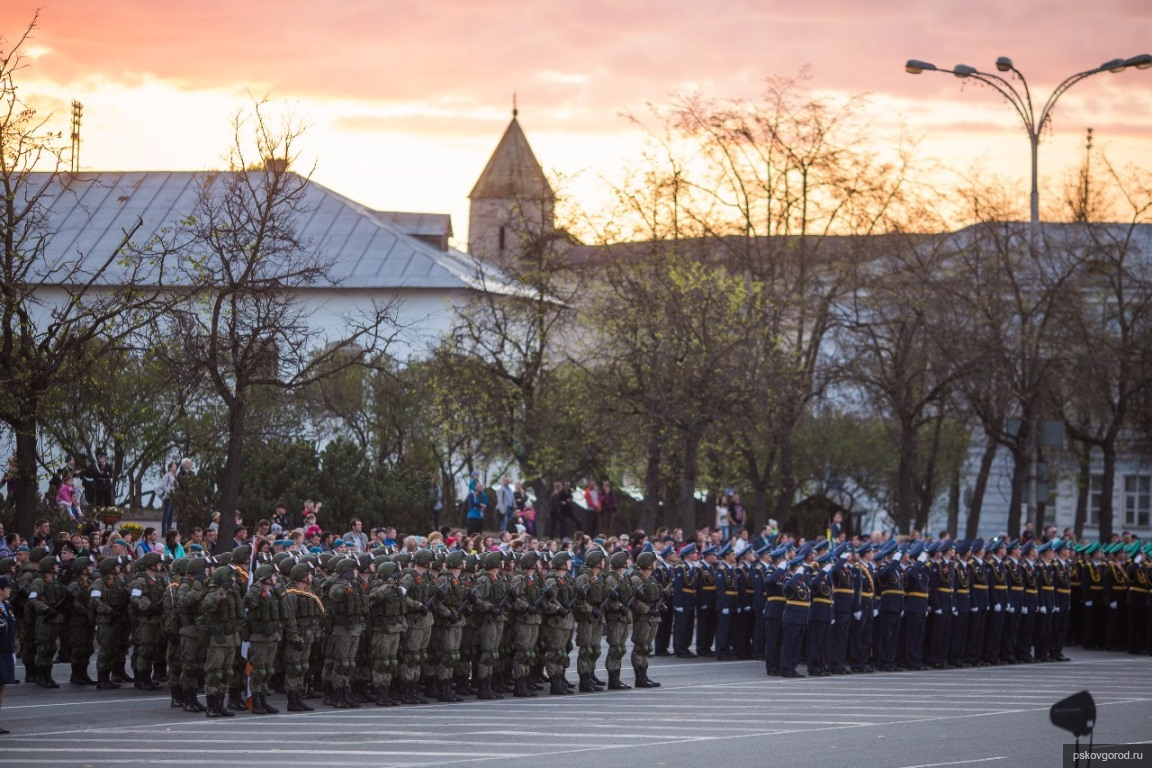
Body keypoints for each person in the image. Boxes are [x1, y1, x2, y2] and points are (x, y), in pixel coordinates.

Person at [0, 575, 15, 734]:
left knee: (1, 687)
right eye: (7, 587)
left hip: (5, 650)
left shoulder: (7, 605)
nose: (10, 590)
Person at [156, 462, 177, 533]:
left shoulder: (174, 476)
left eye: (175, 467)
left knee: (171, 514)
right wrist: (169, 492)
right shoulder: (167, 475)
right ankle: (163, 530)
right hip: (168, 497)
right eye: (174, 467)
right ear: (170, 468)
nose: (175, 468)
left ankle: (169, 528)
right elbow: (162, 485)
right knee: (166, 513)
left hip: (173, 497)